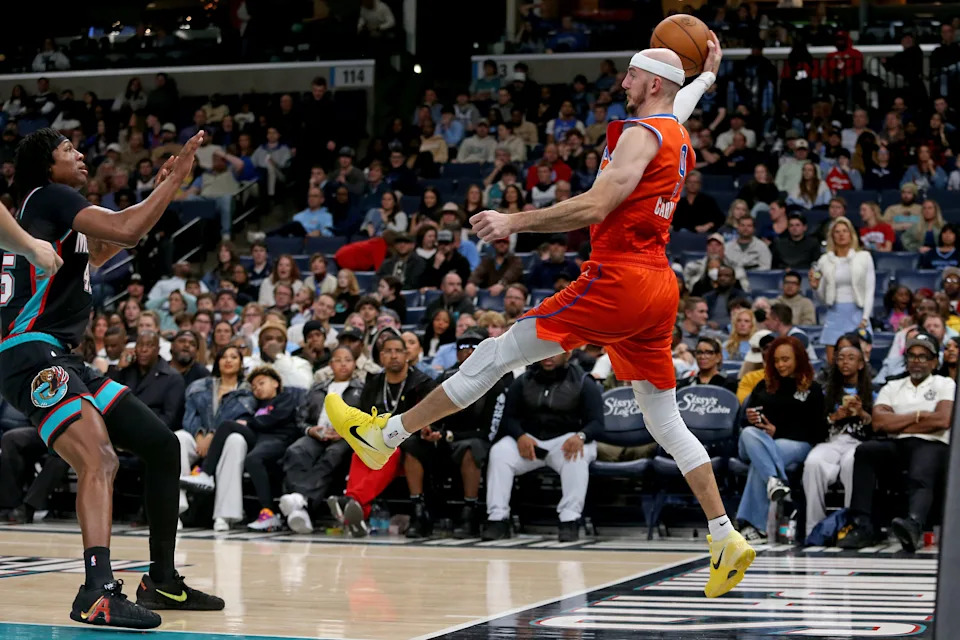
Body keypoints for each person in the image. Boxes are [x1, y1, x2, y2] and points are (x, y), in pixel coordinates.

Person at [326, 37, 756, 598]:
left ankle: (386, 434)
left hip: (618, 278)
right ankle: (725, 535)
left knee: (495, 354)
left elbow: (596, 206)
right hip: (659, 286)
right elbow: (681, 102)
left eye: (630, 75)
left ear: (652, 83)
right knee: (664, 419)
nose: (622, 82)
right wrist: (707, 77)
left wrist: (513, 222)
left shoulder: (640, 133)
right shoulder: (672, 131)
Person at [0, 128, 222, 627]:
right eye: (67, 151)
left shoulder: (51, 211)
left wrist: (158, 189)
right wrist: (175, 182)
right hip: (28, 352)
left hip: (60, 354)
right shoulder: (52, 196)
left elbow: (103, 250)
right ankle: (96, 591)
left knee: (162, 445)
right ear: (46, 166)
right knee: (98, 457)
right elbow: (125, 228)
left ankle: (161, 579)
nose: (80, 156)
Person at [840, 333, 954, 552]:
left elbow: (943, 419)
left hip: (933, 444)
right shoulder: (893, 386)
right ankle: (864, 525)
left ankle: (913, 524)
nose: (916, 361)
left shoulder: (944, 383)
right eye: (912, 356)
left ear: (933, 361)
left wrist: (899, 421)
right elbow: (879, 423)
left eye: (923, 357)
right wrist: (920, 416)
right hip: (897, 444)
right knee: (866, 451)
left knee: (923, 458)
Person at [180, 366, 299, 532]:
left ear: (275, 384)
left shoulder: (285, 398)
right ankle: (206, 474)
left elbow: (275, 419)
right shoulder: (256, 404)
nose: (257, 388)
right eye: (254, 386)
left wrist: (249, 423)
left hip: (278, 438)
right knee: (227, 425)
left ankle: (269, 512)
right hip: (258, 437)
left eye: (261, 383)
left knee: (253, 459)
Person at [738, 337, 826, 541]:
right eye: (776, 360)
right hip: (753, 442)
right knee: (749, 434)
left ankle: (754, 524)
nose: (780, 365)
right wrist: (752, 419)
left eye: (785, 359)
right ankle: (773, 480)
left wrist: (777, 431)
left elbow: (817, 432)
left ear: (798, 359)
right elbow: (744, 424)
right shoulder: (763, 385)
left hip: (795, 444)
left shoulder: (811, 389)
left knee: (761, 462)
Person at [278, 346, 362, 533]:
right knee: (296, 451)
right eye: (338, 360)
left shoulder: (362, 390)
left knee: (333, 454)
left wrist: (346, 432)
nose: (342, 364)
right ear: (330, 364)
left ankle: (301, 502)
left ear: (355, 364)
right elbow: (300, 418)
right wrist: (310, 430)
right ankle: (299, 512)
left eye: (347, 360)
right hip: (318, 434)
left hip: (346, 437)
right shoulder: (317, 389)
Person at [802, 344, 874, 540]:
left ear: (860, 364)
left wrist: (861, 413)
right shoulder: (825, 392)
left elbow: (878, 426)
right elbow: (815, 428)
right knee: (813, 463)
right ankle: (814, 527)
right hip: (831, 441)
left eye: (851, 358)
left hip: (859, 443)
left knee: (854, 463)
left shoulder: (872, 392)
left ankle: (850, 525)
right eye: (841, 358)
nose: (845, 362)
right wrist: (834, 417)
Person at [809, 217, 876, 363]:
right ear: (832, 236)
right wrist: (815, 287)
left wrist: (865, 318)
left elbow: (870, 290)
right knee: (833, 364)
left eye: (845, 231)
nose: (841, 234)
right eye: (837, 232)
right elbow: (821, 297)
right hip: (835, 313)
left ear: (851, 234)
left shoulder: (864, 257)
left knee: (860, 362)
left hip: (858, 314)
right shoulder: (824, 260)